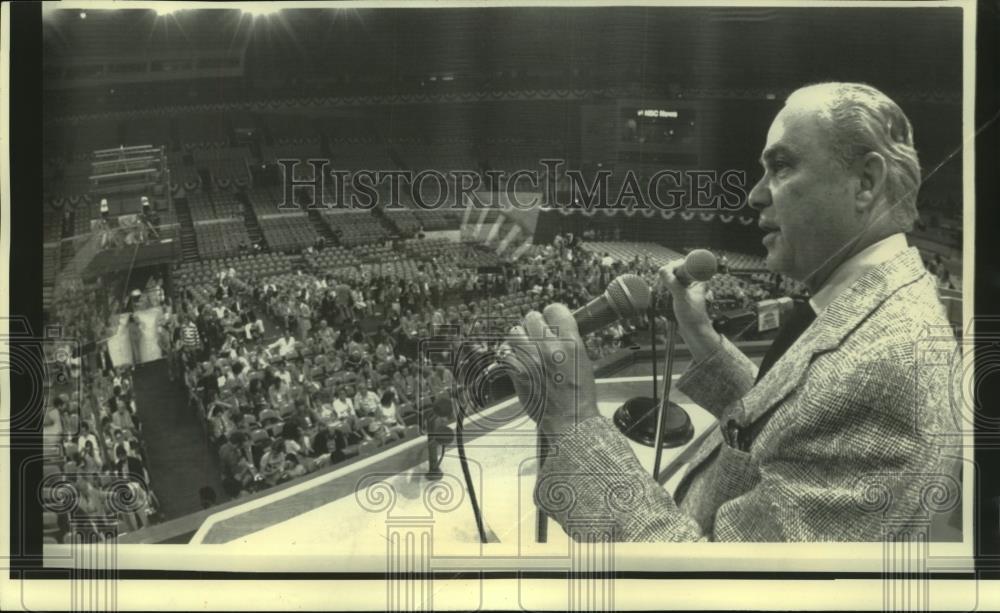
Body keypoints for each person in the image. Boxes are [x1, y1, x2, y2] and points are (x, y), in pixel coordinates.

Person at [511, 83, 959, 542]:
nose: (755, 195)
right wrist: (701, 335)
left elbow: (711, 588)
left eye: (781, 166)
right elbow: (794, 418)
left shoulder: (886, 365)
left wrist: (573, 424)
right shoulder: (870, 302)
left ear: (866, 181)